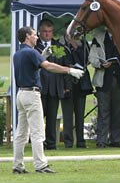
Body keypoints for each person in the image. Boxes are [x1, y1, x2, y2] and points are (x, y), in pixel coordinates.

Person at [12, 26, 84, 174]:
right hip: (32, 95)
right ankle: (40, 165)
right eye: (34, 35)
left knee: (21, 134)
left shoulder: (18, 53)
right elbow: (49, 66)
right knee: (38, 132)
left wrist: (42, 56)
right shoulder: (31, 52)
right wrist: (69, 70)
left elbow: (33, 68)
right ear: (27, 36)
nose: (37, 37)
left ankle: (18, 166)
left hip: (21, 94)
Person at [89, 27, 120, 148]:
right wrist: (101, 63)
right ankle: (102, 140)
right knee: (103, 112)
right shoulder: (98, 38)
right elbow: (92, 58)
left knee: (118, 112)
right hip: (103, 80)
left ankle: (115, 140)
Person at [35, 19, 69, 150]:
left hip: (55, 86)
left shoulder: (59, 46)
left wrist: (66, 86)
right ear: (39, 32)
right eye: (45, 31)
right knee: (38, 117)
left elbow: (65, 67)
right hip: (40, 86)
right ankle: (38, 142)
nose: (47, 34)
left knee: (52, 116)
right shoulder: (35, 46)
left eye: (50, 31)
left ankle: (51, 143)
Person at [59, 30, 93, 148]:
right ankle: (68, 142)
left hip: (81, 83)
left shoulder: (83, 44)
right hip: (66, 82)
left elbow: (86, 60)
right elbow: (59, 62)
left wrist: (75, 45)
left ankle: (81, 141)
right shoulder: (59, 45)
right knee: (67, 115)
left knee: (80, 114)